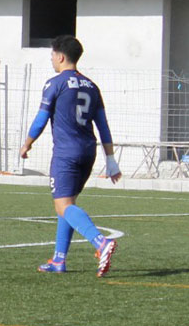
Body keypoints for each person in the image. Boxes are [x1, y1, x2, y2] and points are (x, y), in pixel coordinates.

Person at [19, 34, 122, 276]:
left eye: (53, 55)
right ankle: (58, 260)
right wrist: (110, 159)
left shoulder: (55, 83)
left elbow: (41, 118)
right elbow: (103, 125)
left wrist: (27, 143)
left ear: (61, 56)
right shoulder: (92, 86)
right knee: (66, 204)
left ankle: (100, 242)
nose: (52, 60)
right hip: (89, 151)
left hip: (66, 153)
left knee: (63, 204)